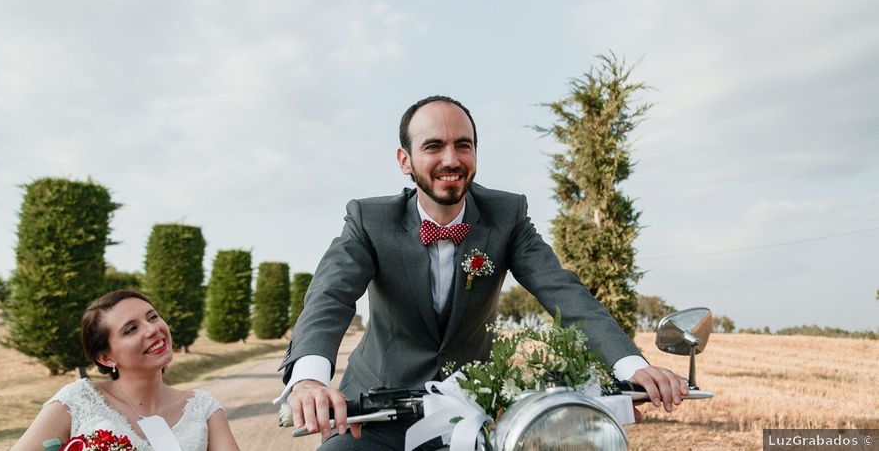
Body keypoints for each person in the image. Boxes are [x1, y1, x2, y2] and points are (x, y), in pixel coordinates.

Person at [277, 95, 691, 450]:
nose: (451, 159)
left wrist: (630, 365)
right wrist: (310, 379)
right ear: (405, 160)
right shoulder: (369, 219)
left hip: (469, 410)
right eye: (433, 146)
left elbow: (563, 290)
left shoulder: (507, 216)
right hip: (373, 411)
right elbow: (330, 295)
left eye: (463, 145)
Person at [12, 290, 240, 451]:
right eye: (131, 329)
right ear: (106, 357)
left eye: (152, 317)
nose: (152, 329)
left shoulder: (204, 409)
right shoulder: (77, 402)